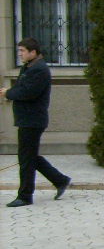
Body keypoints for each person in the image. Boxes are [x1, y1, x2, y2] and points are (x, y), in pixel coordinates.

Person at [1, 38, 71, 207]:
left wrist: (8, 93)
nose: (20, 54)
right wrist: (10, 92)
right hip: (26, 119)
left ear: (33, 52)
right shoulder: (28, 67)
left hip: (33, 120)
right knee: (29, 156)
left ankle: (25, 196)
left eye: (23, 51)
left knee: (26, 158)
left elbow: (28, 92)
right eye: (19, 51)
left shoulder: (39, 69)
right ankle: (60, 180)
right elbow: (20, 87)